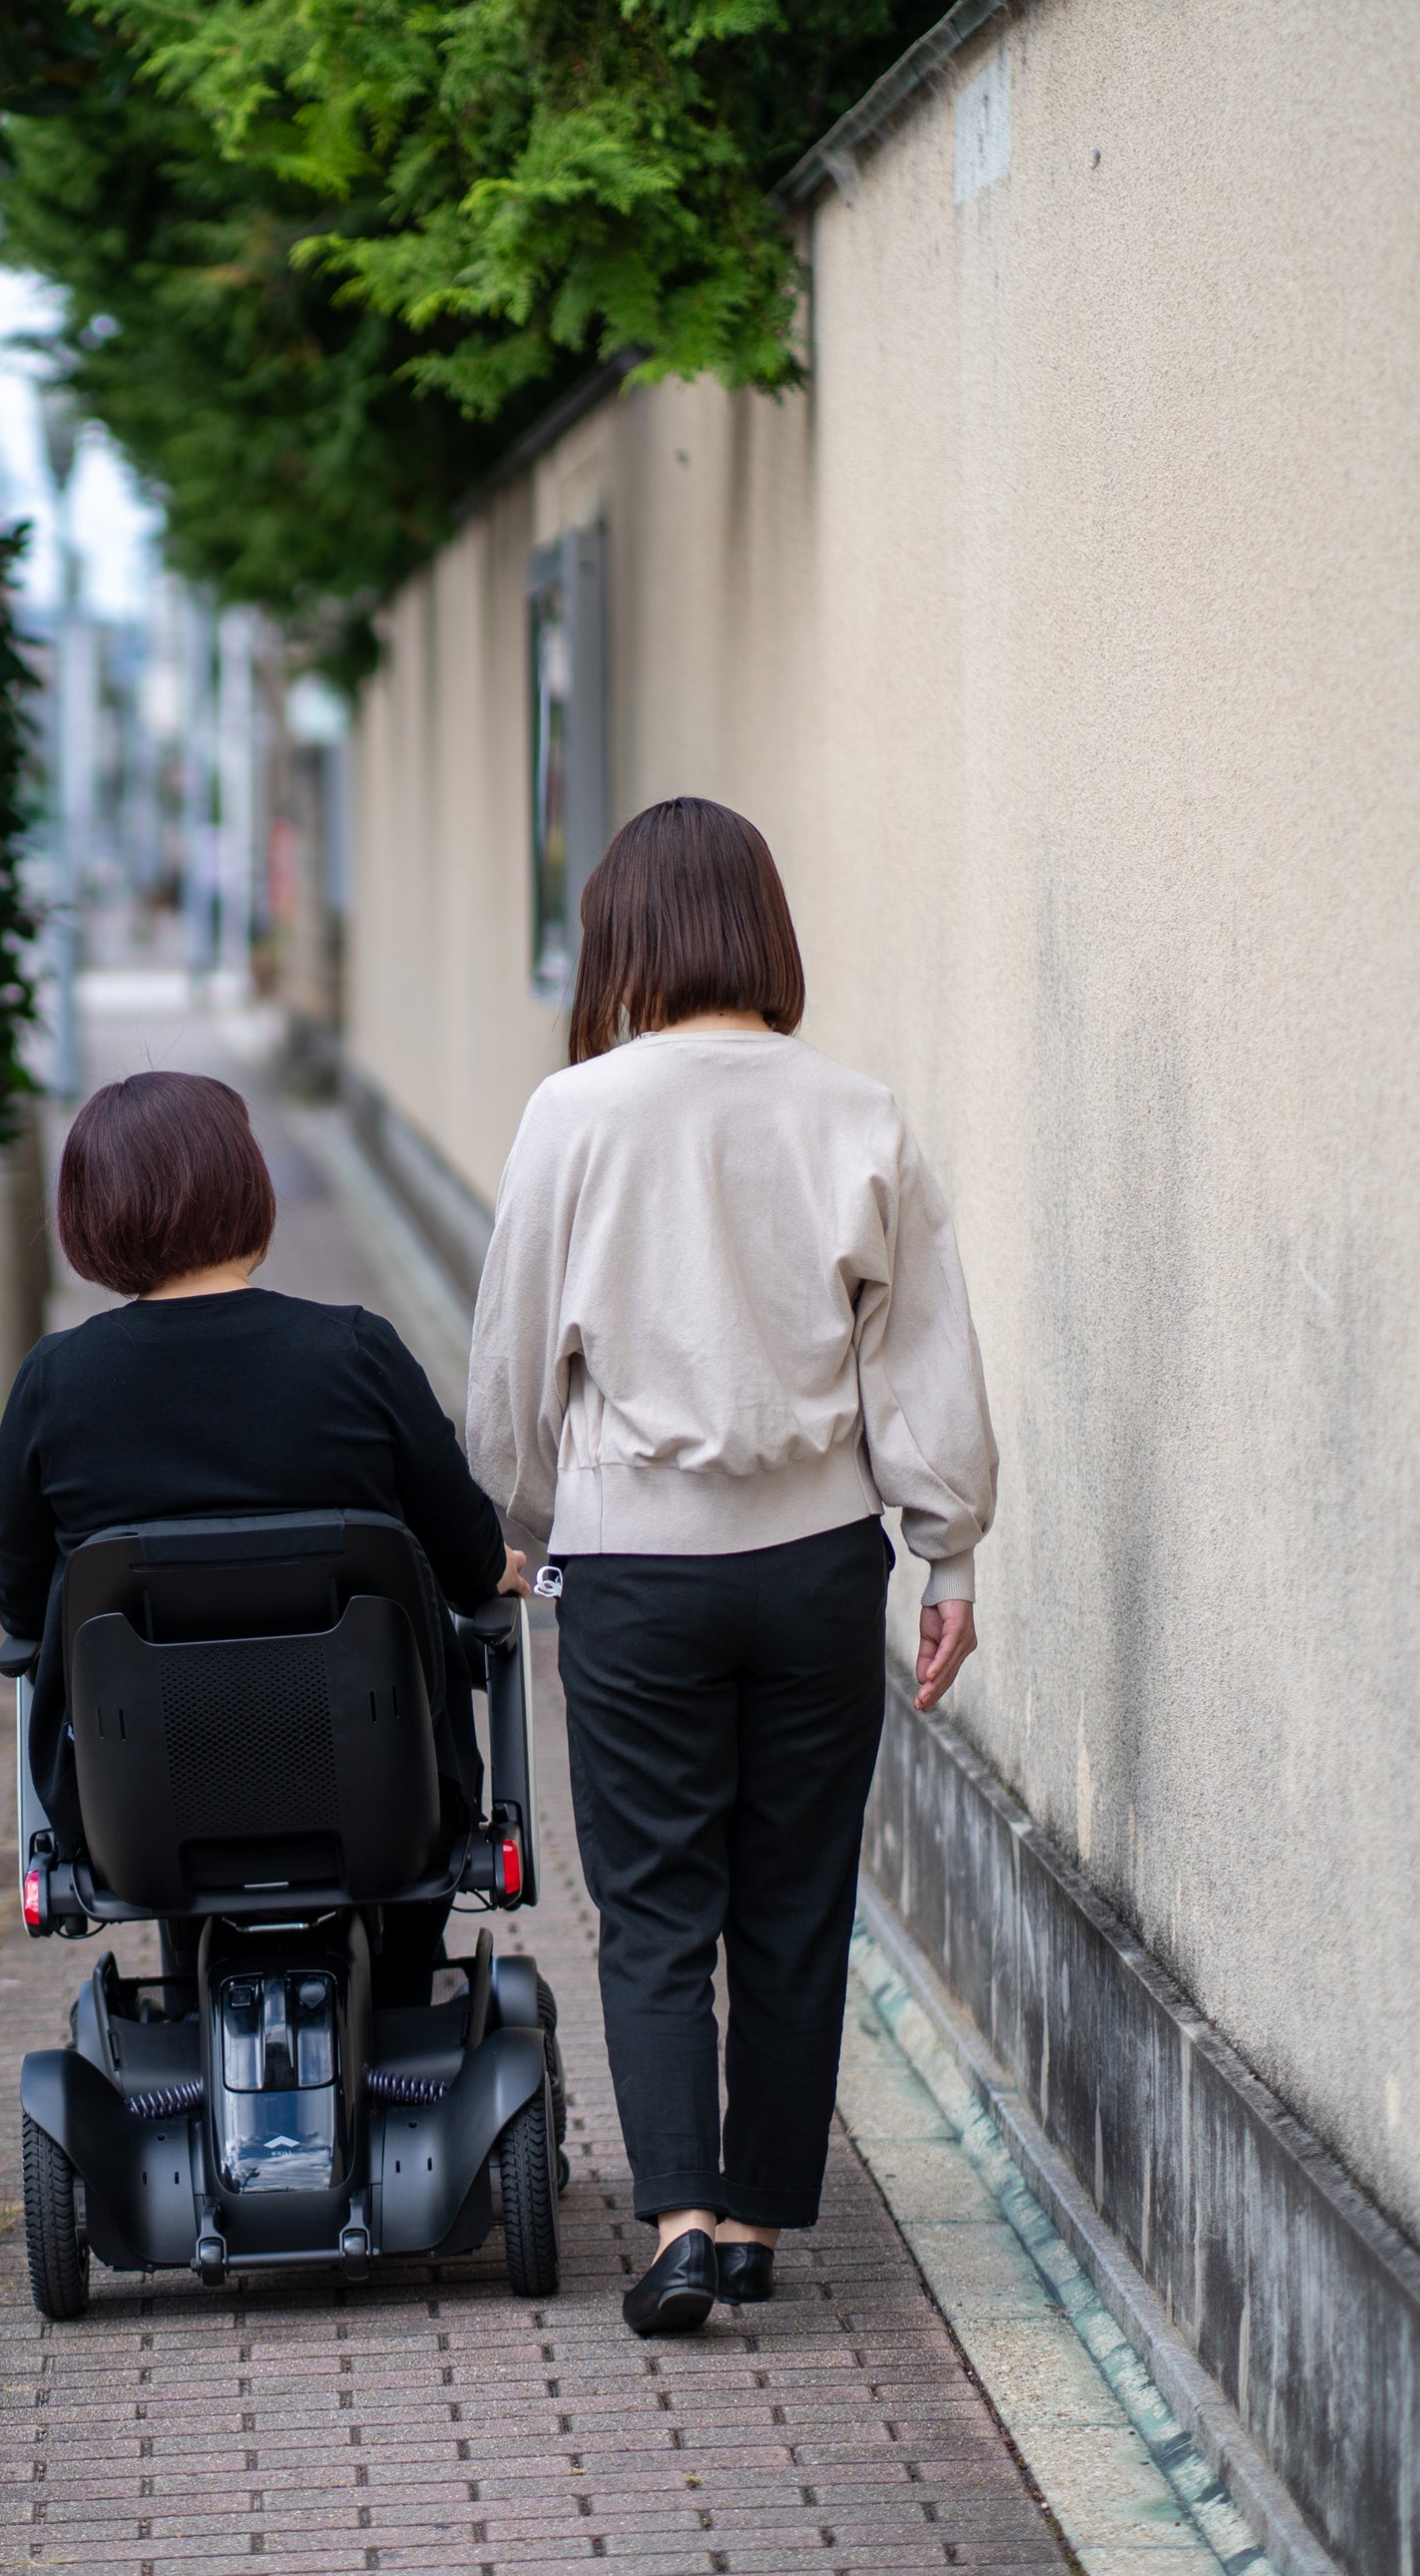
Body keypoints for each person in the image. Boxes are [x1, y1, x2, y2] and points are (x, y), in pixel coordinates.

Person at [466, 796, 999, 2340]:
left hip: (637, 1569)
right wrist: (948, 1551)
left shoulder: (575, 1114)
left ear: (621, 937)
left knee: (651, 1903)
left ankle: (682, 2223)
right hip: (821, 1564)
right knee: (793, 1897)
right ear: (766, 927)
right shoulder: (858, 1112)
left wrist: (524, 1518)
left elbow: (513, 1359)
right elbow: (922, 1357)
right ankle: (760, 2216)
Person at [0, 1070, 525, 1994]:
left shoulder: (56, 1382)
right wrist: (494, 1569)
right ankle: (404, 1992)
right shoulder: (355, 1350)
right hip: (383, 1793)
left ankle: (192, 1999)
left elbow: (19, 1598)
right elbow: (461, 1542)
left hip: (144, 1811)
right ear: (246, 1186)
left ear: (89, 1217)